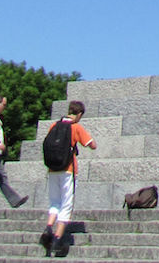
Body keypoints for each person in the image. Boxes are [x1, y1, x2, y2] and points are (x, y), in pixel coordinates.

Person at [39, 100, 96, 258]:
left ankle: (48, 227)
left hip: (52, 169)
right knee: (66, 205)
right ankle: (57, 240)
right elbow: (92, 144)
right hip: (67, 170)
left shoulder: (54, 126)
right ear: (79, 114)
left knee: (54, 201)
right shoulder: (75, 127)